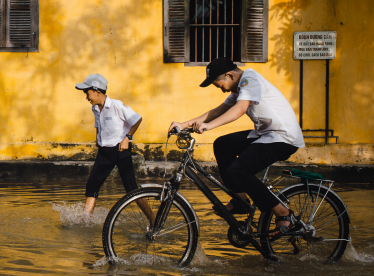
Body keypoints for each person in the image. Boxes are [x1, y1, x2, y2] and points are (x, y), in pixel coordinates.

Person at [168, 57, 306, 235]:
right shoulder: (240, 87)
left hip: (283, 138)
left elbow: (240, 109)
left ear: (229, 75)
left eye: (219, 85)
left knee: (238, 171)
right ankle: (240, 199)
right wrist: (184, 124)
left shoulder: (250, 79)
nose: (222, 90)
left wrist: (208, 126)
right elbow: (217, 111)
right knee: (223, 144)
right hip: (266, 135)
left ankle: (283, 213)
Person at [76, 74, 153, 221]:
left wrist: (127, 138)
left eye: (87, 93)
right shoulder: (95, 108)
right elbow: (98, 124)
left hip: (120, 150)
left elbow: (137, 119)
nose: (86, 97)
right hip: (104, 152)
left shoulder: (116, 105)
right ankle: (85, 221)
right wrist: (98, 138)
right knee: (92, 185)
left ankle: (153, 219)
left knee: (131, 188)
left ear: (97, 91)